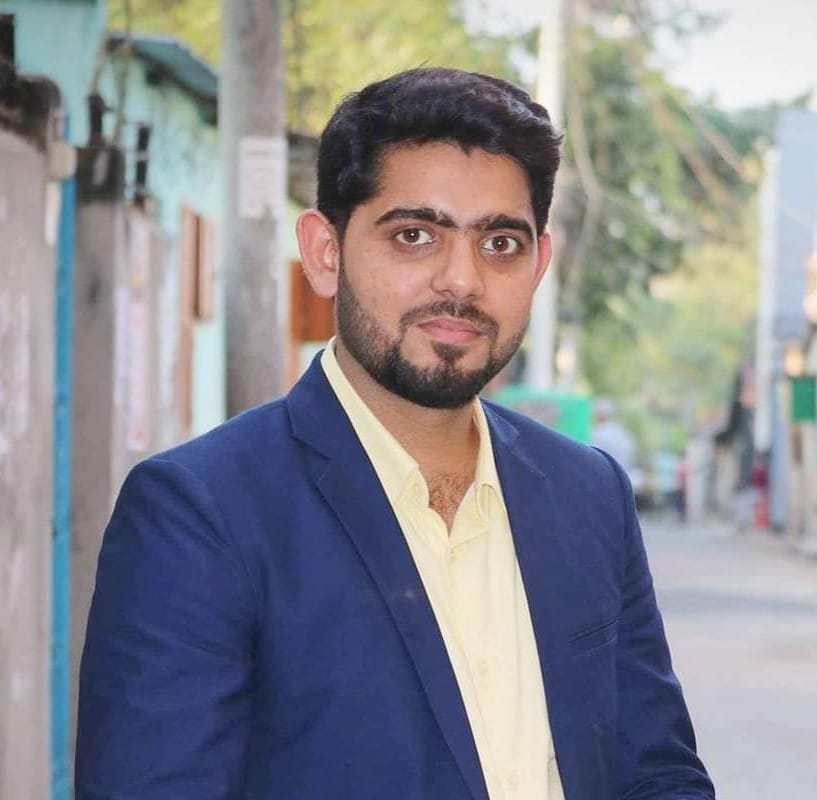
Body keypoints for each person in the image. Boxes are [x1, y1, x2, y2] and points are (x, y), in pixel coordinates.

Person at [76, 68, 714, 800]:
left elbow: (657, 771)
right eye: (415, 235)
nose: (462, 281)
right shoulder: (201, 514)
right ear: (326, 253)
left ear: (539, 263)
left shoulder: (587, 493)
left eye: (500, 242)